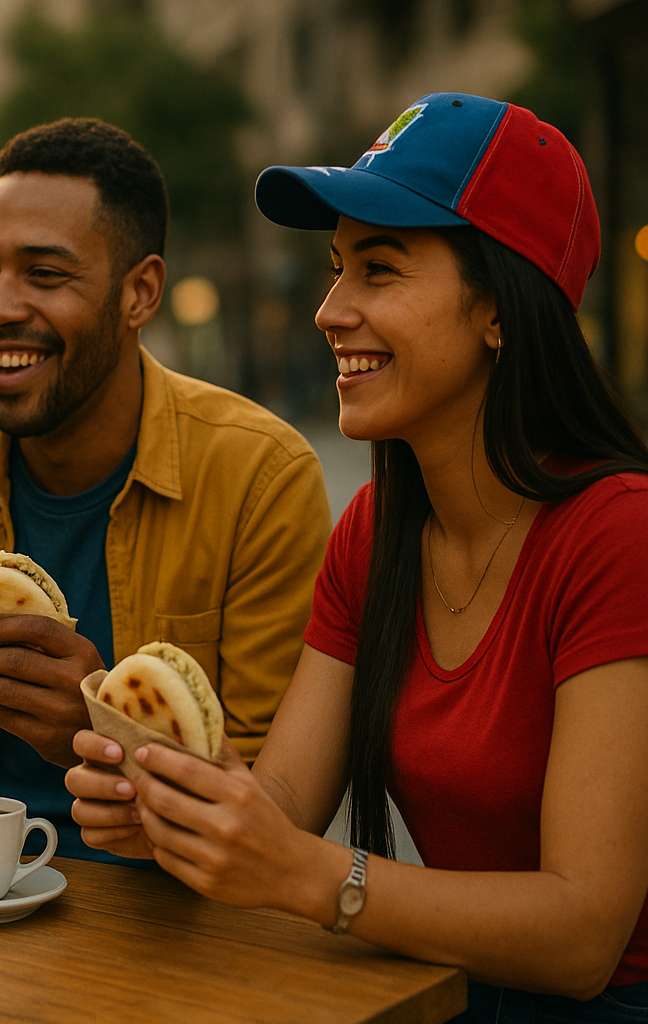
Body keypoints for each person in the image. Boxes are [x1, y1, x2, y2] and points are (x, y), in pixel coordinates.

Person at [66, 93, 648, 1018]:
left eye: (380, 270)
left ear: (499, 306)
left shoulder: (617, 534)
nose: (331, 311)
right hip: (433, 991)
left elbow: (584, 935)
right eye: (337, 270)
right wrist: (178, 809)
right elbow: (287, 797)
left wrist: (313, 878)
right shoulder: (375, 530)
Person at [0, 117, 332, 876]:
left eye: (45, 274)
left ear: (140, 292)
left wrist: (103, 723)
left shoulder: (261, 478)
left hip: (183, 923)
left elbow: (277, 800)